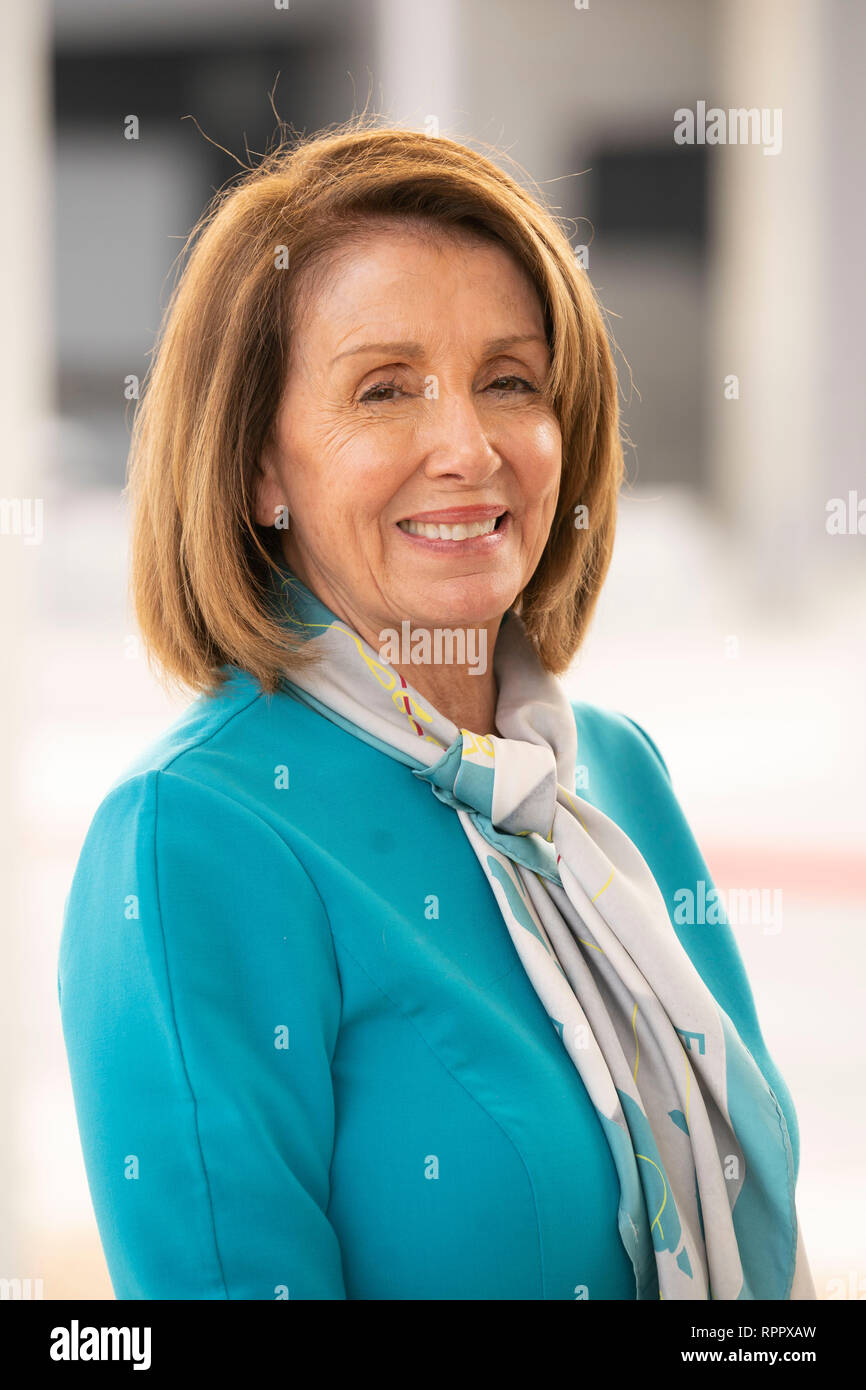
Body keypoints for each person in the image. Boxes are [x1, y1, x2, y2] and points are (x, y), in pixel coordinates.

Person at [58, 118, 814, 1300]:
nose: (466, 446)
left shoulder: (607, 774)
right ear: (260, 465)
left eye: (508, 381)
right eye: (384, 388)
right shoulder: (191, 839)